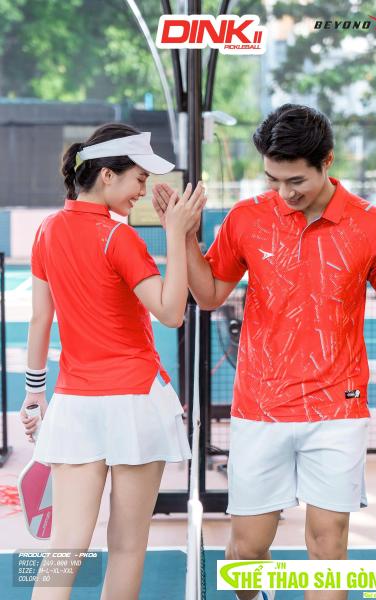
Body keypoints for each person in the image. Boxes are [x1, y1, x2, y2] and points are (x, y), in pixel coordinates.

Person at [152, 104, 376, 600]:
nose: (285, 193)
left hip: (337, 407)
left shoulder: (374, 227)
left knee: (328, 545)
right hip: (260, 407)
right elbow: (210, 294)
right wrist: (183, 237)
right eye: (273, 180)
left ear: (327, 162)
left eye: (296, 181)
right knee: (245, 552)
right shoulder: (247, 218)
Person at [19, 122, 206, 600]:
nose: (142, 190)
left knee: (65, 547)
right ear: (107, 175)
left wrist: (34, 395)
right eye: (139, 179)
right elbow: (171, 313)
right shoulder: (118, 238)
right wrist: (175, 233)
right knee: (126, 546)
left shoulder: (46, 231)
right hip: (136, 403)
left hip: (75, 405)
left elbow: (41, 320)